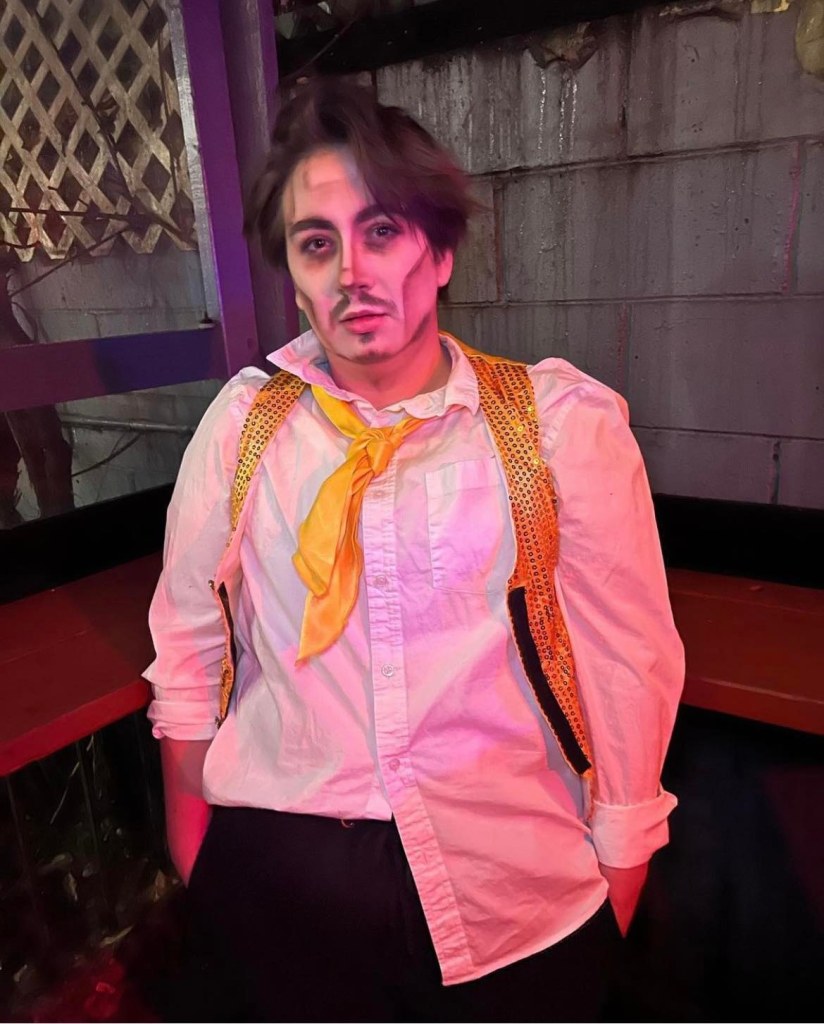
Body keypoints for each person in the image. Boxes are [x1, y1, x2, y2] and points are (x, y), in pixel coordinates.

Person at [145, 77, 684, 1023]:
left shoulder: (556, 427)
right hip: (275, 881)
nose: (351, 272)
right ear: (294, 275)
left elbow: (627, 665)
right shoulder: (244, 426)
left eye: (383, 231)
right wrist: (197, 852)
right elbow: (190, 646)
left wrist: (620, 874)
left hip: (513, 895)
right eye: (318, 243)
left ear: (438, 253)